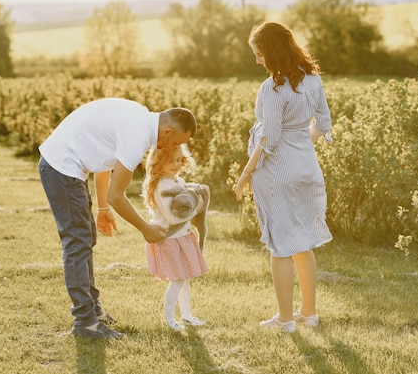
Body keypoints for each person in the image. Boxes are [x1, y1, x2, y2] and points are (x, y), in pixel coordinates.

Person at [38, 97, 196, 340]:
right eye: (174, 142)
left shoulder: (140, 117)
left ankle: (93, 312)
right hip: (62, 167)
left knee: (85, 238)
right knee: (77, 242)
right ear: (166, 131)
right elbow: (117, 196)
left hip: (68, 167)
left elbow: (104, 160)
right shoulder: (138, 136)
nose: (170, 147)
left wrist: (102, 209)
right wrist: (146, 228)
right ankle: (85, 322)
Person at [234, 21, 333, 333]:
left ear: (273, 52)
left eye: (260, 54)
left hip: (277, 171)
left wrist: (246, 172)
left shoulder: (274, 87)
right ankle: (309, 313)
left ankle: (286, 319)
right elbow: (324, 124)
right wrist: (300, 143)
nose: (258, 60)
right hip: (306, 167)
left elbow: (270, 140)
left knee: (280, 246)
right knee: (302, 241)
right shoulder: (313, 80)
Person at [142, 144, 209, 331]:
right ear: (158, 162)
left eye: (179, 160)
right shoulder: (161, 186)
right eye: (170, 160)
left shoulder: (178, 182)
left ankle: (187, 315)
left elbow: (187, 198)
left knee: (184, 277)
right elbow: (172, 217)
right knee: (178, 279)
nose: (175, 164)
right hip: (169, 239)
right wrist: (198, 207)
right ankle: (170, 319)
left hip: (183, 236)